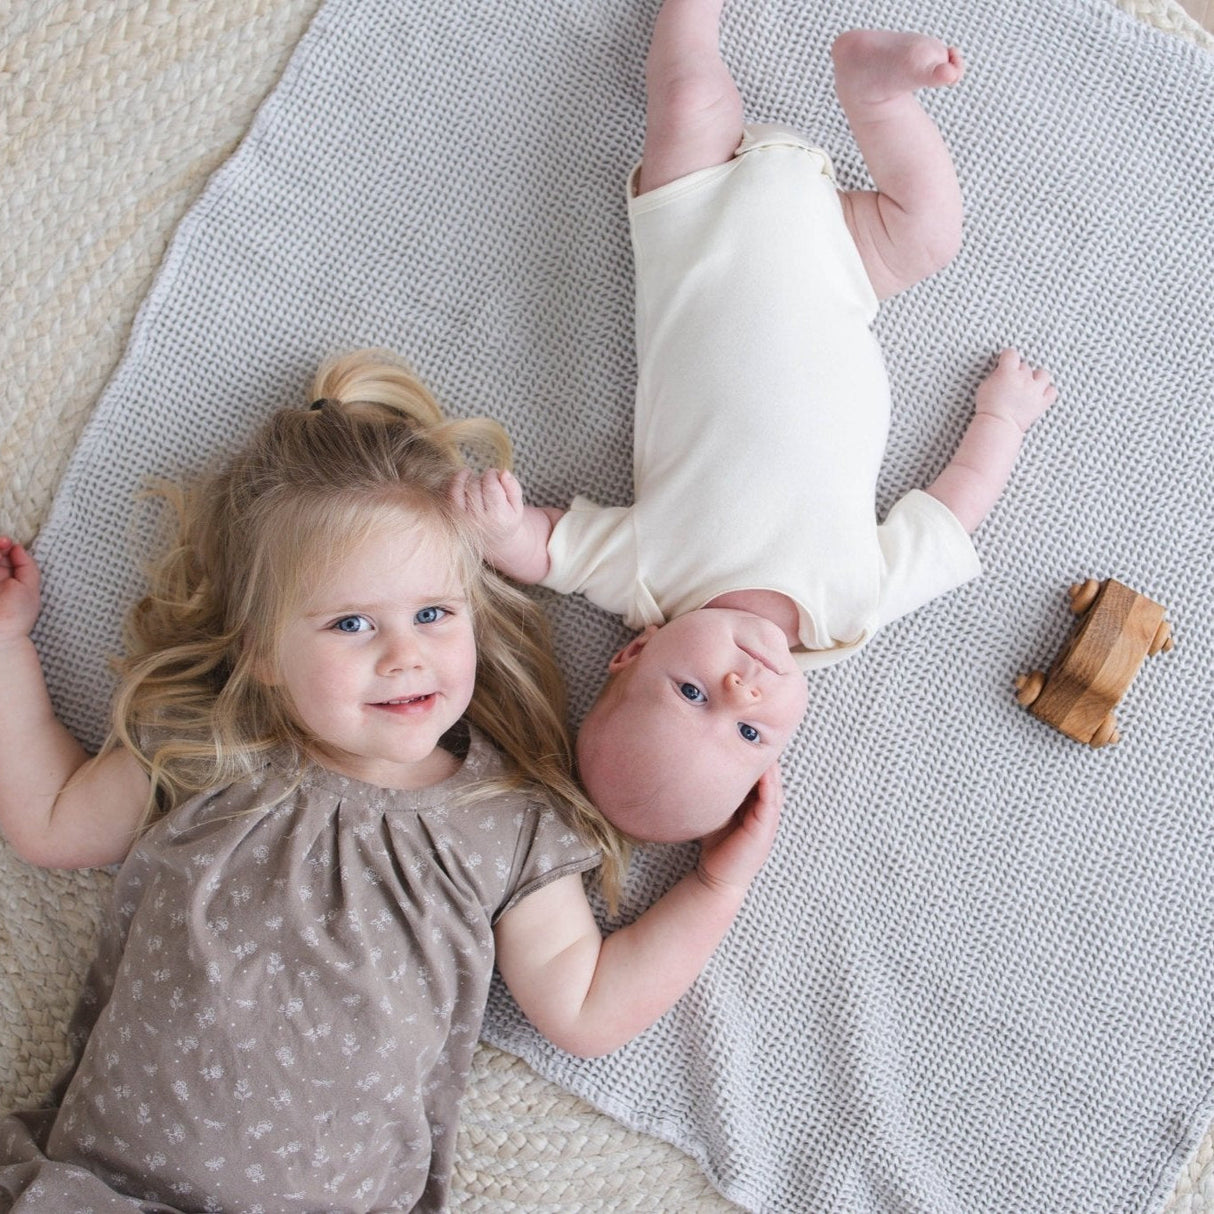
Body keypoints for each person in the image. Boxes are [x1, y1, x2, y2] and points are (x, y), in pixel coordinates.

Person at [0, 349, 779, 1212]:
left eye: (434, 614)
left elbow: (587, 1004)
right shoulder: (217, 752)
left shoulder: (502, 819)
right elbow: (48, 818)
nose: (403, 652)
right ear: (261, 653)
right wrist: (7, 649)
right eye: (351, 623)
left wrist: (716, 883)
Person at [453, 1, 1058, 844]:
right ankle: (875, 94)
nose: (741, 691)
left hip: (694, 222)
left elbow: (545, 551)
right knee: (932, 232)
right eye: (748, 732)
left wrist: (497, 530)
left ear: (634, 654)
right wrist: (1004, 417)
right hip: (845, 264)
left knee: (692, 91)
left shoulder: (651, 582)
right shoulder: (856, 606)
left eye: (691, 693)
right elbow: (954, 513)